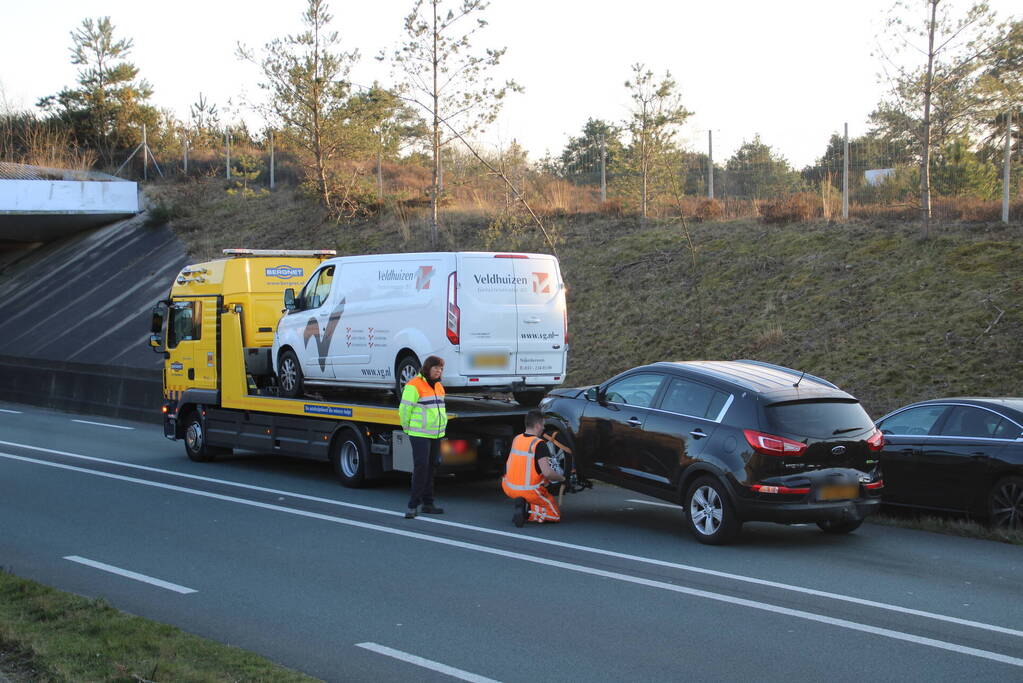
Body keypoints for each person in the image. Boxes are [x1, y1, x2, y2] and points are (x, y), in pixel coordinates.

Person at [399, 355, 448, 519]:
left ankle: (428, 503)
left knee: (432, 466)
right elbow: (404, 409)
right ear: (428, 368)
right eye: (436, 368)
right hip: (419, 433)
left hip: (436, 433)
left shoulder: (439, 386)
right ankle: (413, 505)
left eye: (441, 369)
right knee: (421, 467)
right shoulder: (414, 385)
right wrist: (407, 427)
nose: (439, 371)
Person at [502, 409, 565, 527]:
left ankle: (525, 503)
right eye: (543, 425)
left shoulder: (517, 439)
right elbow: (547, 473)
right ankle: (527, 511)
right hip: (529, 490)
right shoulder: (539, 444)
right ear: (537, 425)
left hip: (508, 487)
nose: (543, 428)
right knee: (554, 514)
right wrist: (562, 478)